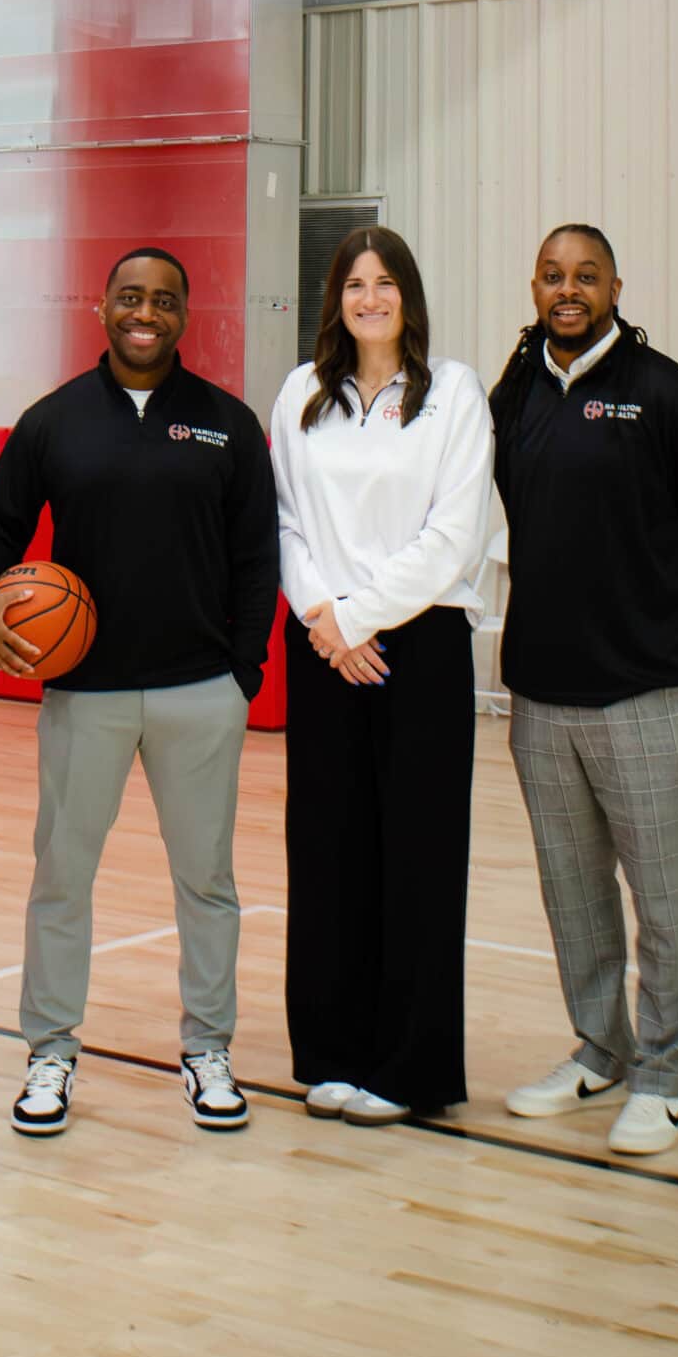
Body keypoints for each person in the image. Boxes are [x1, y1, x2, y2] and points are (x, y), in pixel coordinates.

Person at [0, 248, 281, 1138]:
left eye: (164, 300)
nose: (146, 313)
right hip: (85, 694)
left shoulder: (227, 424)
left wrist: (242, 674)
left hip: (199, 692)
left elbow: (258, 558)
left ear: (185, 315)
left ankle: (207, 1050)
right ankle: (50, 1051)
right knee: (62, 878)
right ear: (101, 308)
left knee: (206, 882)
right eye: (130, 297)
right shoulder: (54, 420)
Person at [491, 223, 678, 1157]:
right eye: (552, 275)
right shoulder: (515, 392)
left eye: (586, 276)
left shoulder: (671, 396)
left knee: (664, 896)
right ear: (534, 288)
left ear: (615, 287)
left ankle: (664, 1075)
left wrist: (670, 634)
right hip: (541, 693)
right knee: (573, 891)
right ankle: (602, 1049)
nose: (569, 290)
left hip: (647, 694)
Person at [270, 226, 493, 1128]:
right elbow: (283, 520)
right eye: (355, 283)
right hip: (324, 642)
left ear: (409, 296)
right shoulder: (300, 393)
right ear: (336, 299)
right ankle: (331, 1053)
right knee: (328, 853)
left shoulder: (455, 393)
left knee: (420, 857)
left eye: (385, 282)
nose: (370, 298)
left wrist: (358, 618)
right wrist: (324, 618)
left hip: (420, 642)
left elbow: (455, 535)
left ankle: (409, 1068)